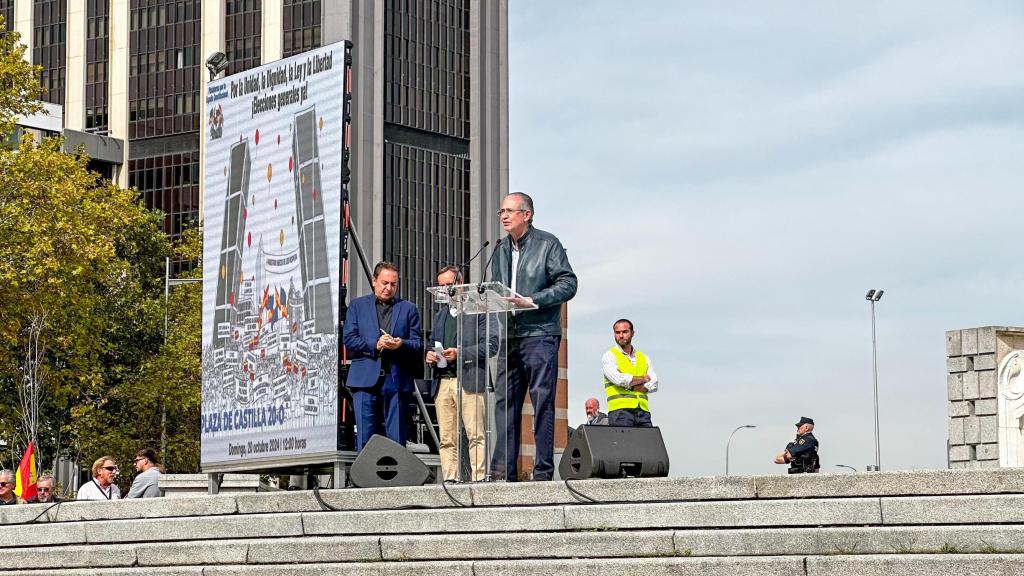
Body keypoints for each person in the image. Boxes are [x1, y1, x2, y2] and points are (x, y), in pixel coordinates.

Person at [490, 192, 577, 481]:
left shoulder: (547, 244)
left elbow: (568, 283)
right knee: (505, 404)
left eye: (510, 211)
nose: (504, 216)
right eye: (502, 210)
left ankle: (542, 472)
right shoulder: (499, 249)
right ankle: (504, 473)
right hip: (509, 335)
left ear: (527, 215)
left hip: (539, 333)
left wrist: (534, 299)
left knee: (542, 402)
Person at [426, 265, 498, 482]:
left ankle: (477, 480)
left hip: (469, 380)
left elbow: (492, 345)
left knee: (475, 435)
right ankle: (450, 478)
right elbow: (432, 343)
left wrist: (461, 353)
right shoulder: (440, 316)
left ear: (461, 283)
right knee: (447, 438)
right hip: (443, 382)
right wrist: (429, 355)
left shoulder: (479, 309)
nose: (446, 290)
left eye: (450, 285)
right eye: (442, 286)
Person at [343, 261, 423, 451]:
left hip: (395, 380)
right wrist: (375, 345)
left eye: (393, 284)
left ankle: (396, 478)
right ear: (374, 281)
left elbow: (418, 343)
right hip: (364, 379)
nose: (388, 288)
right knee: (365, 437)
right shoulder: (357, 306)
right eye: (384, 283)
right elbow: (349, 338)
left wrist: (400, 344)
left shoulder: (408, 308)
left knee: (396, 438)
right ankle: (365, 479)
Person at [601, 319, 658, 427]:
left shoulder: (644, 358)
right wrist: (644, 379)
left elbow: (654, 384)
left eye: (625, 332)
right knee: (624, 444)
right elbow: (619, 380)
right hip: (620, 413)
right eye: (617, 333)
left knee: (647, 443)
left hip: (643, 413)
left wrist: (632, 384)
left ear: (632, 333)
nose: (621, 336)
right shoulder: (609, 356)